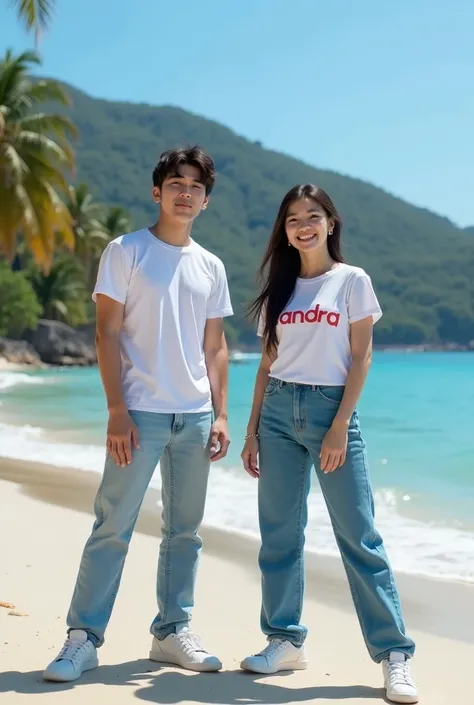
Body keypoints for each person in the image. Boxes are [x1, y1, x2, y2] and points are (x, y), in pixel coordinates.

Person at [43, 145, 233, 682]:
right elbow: (105, 332)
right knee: (113, 527)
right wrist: (116, 409)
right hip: (139, 415)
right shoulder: (125, 250)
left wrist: (221, 414)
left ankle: (172, 631)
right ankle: (83, 638)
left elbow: (214, 346)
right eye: (176, 182)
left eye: (196, 186)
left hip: (195, 417)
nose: (185, 192)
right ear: (158, 191)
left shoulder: (211, 265)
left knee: (185, 532)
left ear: (206, 199)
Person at [239, 184, 418, 704]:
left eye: (312, 216)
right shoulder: (280, 289)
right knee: (279, 536)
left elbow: (361, 357)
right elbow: (267, 366)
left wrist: (340, 423)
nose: (303, 225)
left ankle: (394, 655)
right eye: (293, 219)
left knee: (359, 536)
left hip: (330, 413)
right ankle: (283, 640)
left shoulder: (352, 281)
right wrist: (251, 432)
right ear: (285, 230)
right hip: (276, 413)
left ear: (331, 223)